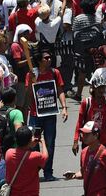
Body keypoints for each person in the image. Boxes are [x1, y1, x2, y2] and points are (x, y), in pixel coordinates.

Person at [26, 48, 68, 181]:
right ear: (39, 60)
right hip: (35, 114)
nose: (49, 60)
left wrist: (64, 107)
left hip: (50, 114)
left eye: (50, 57)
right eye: (46, 58)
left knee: (50, 143)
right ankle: (34, 170)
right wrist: (32, 82)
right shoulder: (31, 74)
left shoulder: (55, 73)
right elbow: (28, 95)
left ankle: (48, 172)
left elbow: (60, 90)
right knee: (33, 143)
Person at [65, 121, 106, 196]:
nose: (83, 136)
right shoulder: (84, 152)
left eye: (87, 134)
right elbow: (84, 172)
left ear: (96, 135)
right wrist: (74, 175)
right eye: (83, 133)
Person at [73, 79, 106, 154]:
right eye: (99, 88)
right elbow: (79, 122)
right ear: (93, 88)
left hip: (103, 141)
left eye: (103, 88)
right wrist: (75, 141)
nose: (101, 90)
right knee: (87, 164)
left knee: (103, 163)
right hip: (88, 141)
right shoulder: (86, 103)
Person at [4, 126, 48, 196]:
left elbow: (21, 153)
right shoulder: (35, 156)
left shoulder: (8, 153)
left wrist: (29, 144)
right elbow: (45, 157)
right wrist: (42, 142)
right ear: (30, 140)